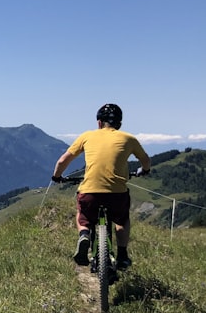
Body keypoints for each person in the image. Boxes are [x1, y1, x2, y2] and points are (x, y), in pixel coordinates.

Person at [52, 103, 151, 268]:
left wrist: (56, 177)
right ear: (119, 124)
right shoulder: (129, 139)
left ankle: (84, 234)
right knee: (122, 220)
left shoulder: (87, 136)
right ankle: (123, 255)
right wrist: (144, 170)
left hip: (90, 192)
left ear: (99, 123)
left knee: (83, 217)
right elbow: (146, 161)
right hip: (117, 194)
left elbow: (63, 160)